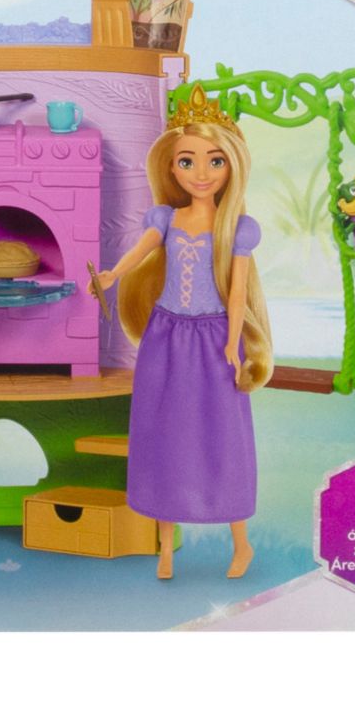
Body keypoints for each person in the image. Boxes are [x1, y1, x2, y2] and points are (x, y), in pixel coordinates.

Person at [91, 87, 272, 581]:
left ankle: (241, 544)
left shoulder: (237, 228)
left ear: (231, 166)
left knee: (222, 438)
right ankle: (165, 547)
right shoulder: (166, 219)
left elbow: (238, 291)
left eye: (215, 161)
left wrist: (233, 342)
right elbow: (140, 252)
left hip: (213, 339)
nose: (201, 173)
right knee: (162, 436)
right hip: (166, 337)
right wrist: (112, 275)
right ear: (171, 168)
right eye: (187, 162)